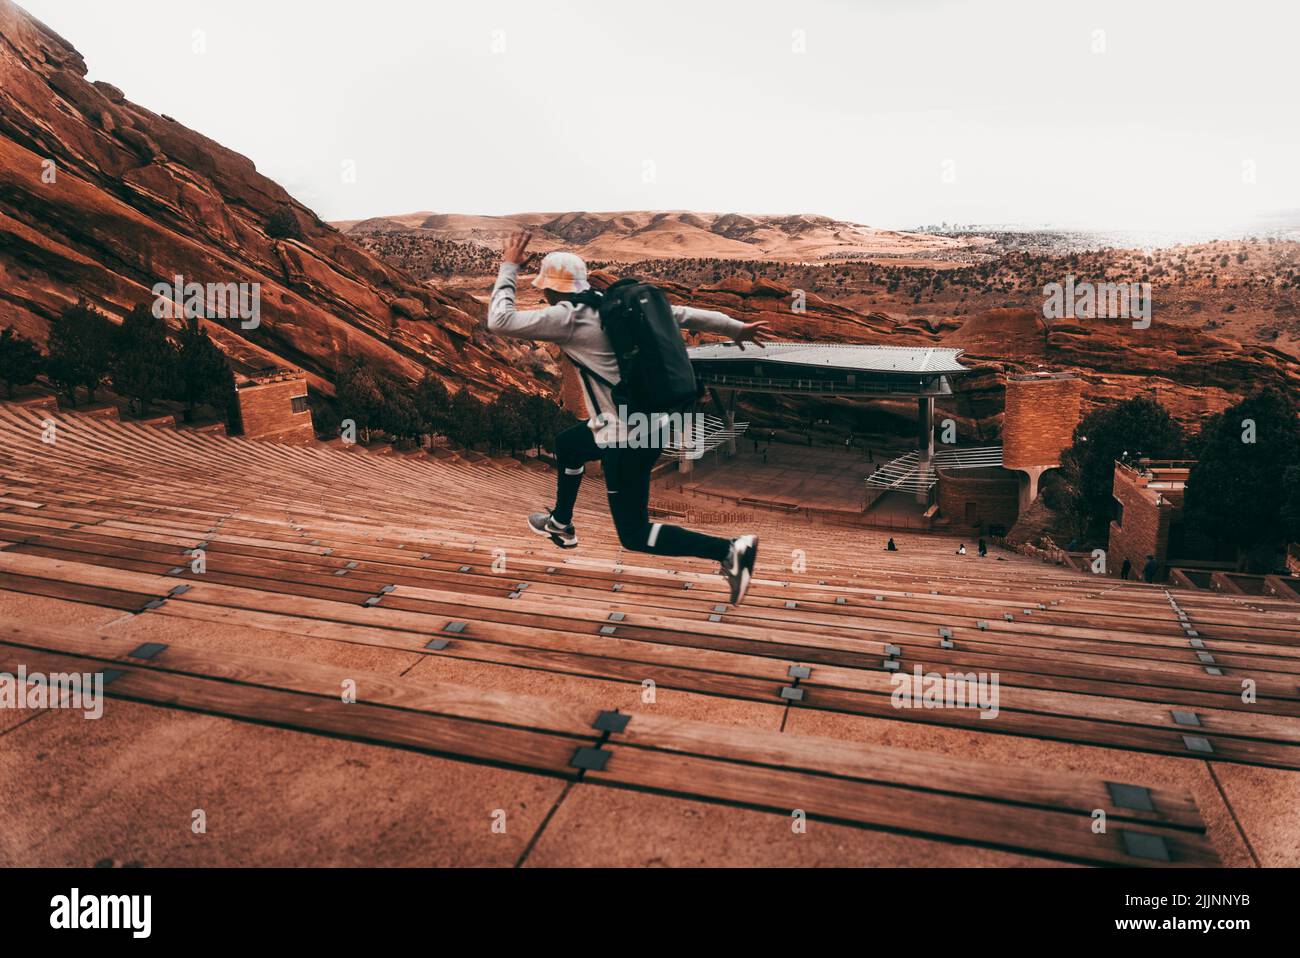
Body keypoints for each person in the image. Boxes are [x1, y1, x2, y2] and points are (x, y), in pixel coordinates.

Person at [485, 230, 769, 604]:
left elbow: (499, 321)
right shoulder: (615, 303)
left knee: (634, 535)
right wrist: (735, 327)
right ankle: (561, 523)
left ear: (551, 291)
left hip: (627, 436)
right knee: (568, 445)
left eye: (544, 291)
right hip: (647, 422)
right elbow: (680, 313)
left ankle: (730, 550)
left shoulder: (566, 317)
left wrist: (509, 267)